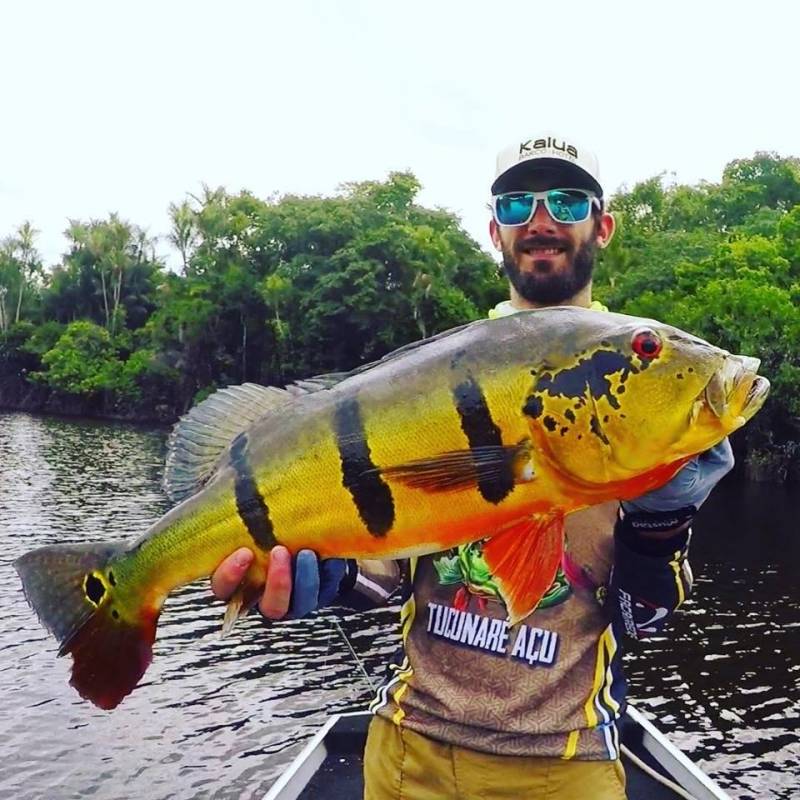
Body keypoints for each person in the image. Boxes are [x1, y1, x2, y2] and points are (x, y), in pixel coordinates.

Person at [211, 134, 734, 799]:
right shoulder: (431, 379)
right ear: (496, 231)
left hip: (564, 767)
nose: (541, 220)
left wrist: (662, 523)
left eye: (566, 200)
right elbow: (389, 580)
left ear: (602, 225)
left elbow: (642, 619)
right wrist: (326, 579)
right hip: (409, 752)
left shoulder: (640, 390)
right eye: (518, 203)